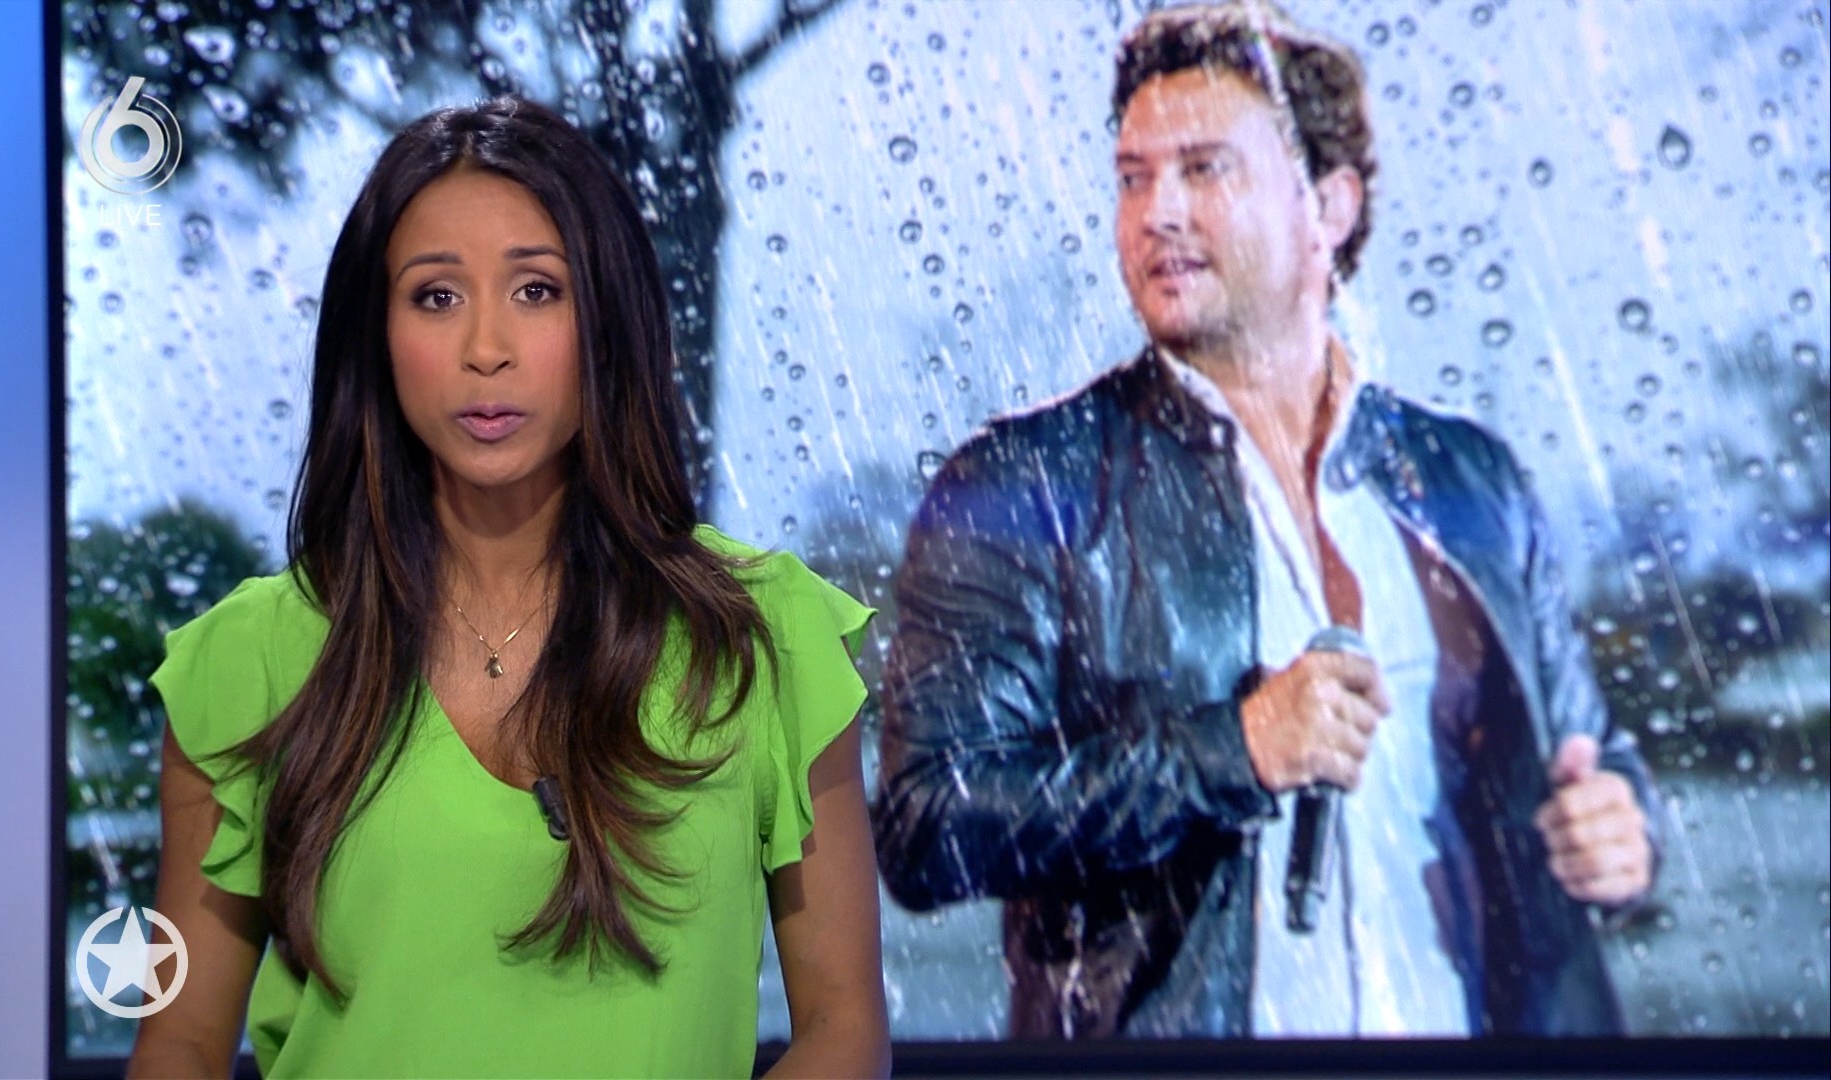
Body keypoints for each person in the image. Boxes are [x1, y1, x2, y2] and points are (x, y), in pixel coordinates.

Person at [872, 1, 1662, 1040]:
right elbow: (927, 822)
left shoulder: (1470, 482)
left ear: (1328, 205)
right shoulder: (1027, 486)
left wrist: (1625, 832)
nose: (1157, 212)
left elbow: (1591, 754)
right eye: (1133, 177)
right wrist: (1232, 754)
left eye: (1204, 169)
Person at [128, 98, 890, 1078]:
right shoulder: (246, 664)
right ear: (376, 332)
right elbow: (179, 1042)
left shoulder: (763, 639)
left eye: (536, 290)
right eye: (436, 297)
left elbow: (843, 1027)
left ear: (605, 319)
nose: (486, 348)